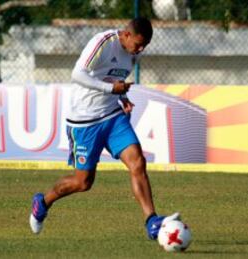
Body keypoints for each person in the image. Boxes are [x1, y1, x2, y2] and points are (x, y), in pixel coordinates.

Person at [29, 17, 179, 239]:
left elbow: (115, 76)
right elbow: (77, 75)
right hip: (84, 121)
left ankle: (152, 222)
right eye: (138, 44)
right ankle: (42, 203)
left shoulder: (134, 52)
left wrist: (123, 96)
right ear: (126, 35)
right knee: (83, 182)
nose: (140, 49)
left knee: (138, 162)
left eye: (144, 45)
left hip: (113, 116)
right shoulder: (103, 42)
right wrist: (111, 89)